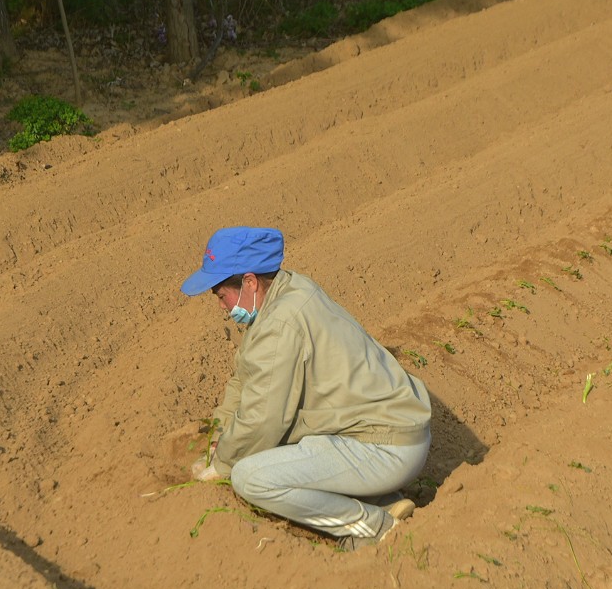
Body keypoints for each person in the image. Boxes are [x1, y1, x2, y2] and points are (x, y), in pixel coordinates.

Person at [181, 226, 431, 550]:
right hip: (383, 432)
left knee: (250, 477)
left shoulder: (280, 324)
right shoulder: (288, 290)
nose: (220, 304)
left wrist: (223, 465)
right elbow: (246, 376)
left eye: (220, 294)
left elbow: (263, 420)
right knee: (275, 444)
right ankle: (383, 501)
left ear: (249, 282)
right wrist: (220, 432)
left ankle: (373, 527)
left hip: (387, 447)